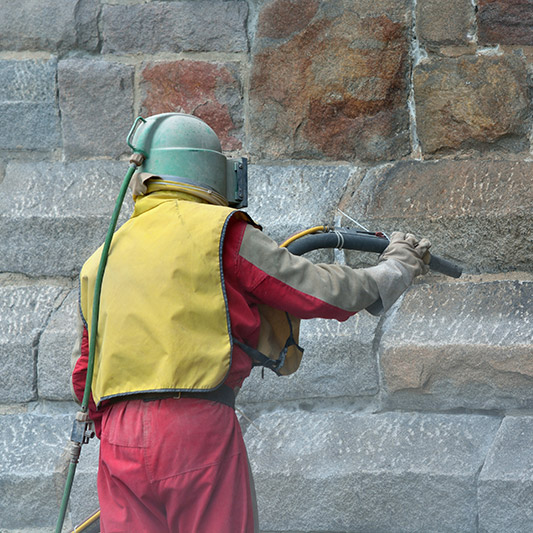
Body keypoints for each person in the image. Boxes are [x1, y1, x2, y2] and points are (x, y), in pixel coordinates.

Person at [71, 113, 430, 533]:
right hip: (194, 428)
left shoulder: (100, 259)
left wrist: (116, 432)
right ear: (214, 173)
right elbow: (315, 290)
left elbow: (85, 372)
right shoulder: (219, 232)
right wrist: (392, 272)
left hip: (118, 436)